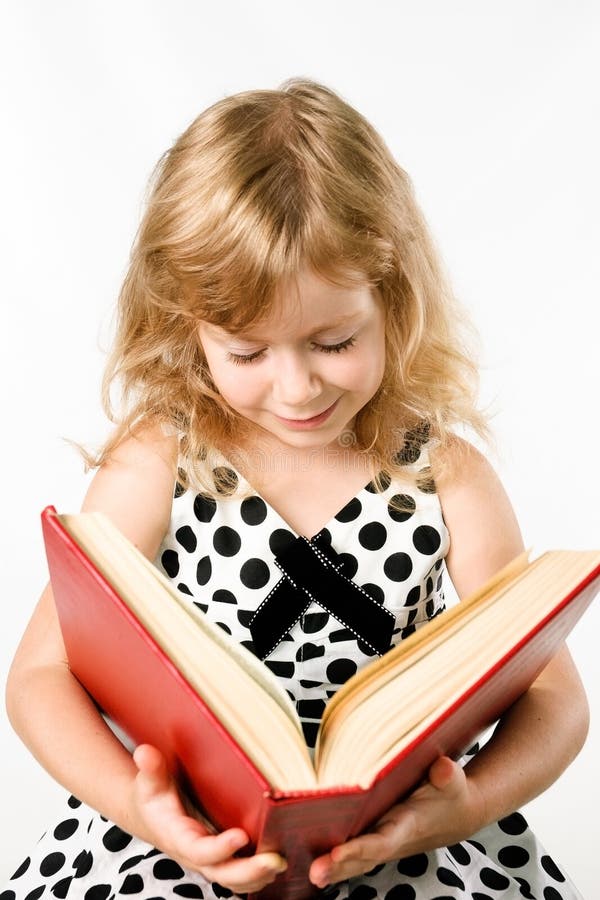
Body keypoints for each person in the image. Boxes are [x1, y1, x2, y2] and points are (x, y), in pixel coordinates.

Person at [2, 79, 589, 900]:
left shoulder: (445, 474)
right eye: (246, 354)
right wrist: (142, 811)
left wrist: (468, 808)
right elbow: (39, 677)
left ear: (393, 302)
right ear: (186, 326)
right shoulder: (160, 461)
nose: (296, 388)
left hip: (403, 839)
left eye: (334, 341)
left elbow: (556, 696)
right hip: (191, 837)